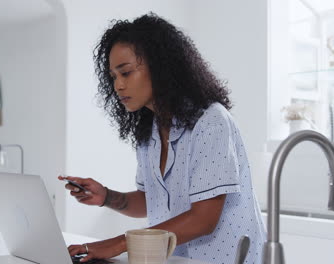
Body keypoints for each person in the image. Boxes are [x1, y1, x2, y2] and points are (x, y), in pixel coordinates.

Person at [59, 13, 266, 264]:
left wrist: (118, 244)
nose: (118, 86)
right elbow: (150, 200)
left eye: (125, 73)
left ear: (160, 66)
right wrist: (106, 196)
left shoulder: (211, 122)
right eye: (113, 77)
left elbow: (204, 219)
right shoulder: (150, 131)